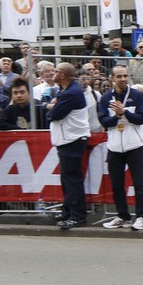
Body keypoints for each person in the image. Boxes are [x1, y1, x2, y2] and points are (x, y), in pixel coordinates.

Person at [98, 65, 143, 231]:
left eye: (125, 76)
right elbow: (103, 121)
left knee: (138, 183)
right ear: (112, 78)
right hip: (114, 147)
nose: (123, 79)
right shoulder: (106, 98)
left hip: (134, 146)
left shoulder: (137, 96)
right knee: (116, 184)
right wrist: (117, 116)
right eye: (119, 76)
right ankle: (123, 216)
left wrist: (124, 113)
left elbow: (141, 119)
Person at [47, 62, 91, 230]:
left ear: (62, 75)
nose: (53, 73)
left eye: (56, 71)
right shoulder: (68, 90)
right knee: (67, 179)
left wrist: (49, 107)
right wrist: (53, 107)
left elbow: (55, 114)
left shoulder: (71, 93)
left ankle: (77, 215)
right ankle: (68, 211)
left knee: (72, 179)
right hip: (68, 140)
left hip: (72, 140)